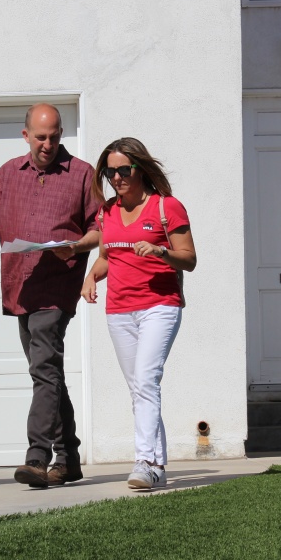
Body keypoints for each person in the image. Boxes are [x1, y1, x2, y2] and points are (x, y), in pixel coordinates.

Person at [0, 103, 99, 489]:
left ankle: (37, 458)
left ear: (61, 133)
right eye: (40, 137)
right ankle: (69, 457)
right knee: (48, 373)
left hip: (57, 285)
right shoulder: (8, 174)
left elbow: (102, 230)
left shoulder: (82, 174)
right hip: (20, 286)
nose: (47, 144)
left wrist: (77, 247)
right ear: (26, 135)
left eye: (54, 136)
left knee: (42, 369)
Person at [81, 137, 196, 490]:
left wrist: (161, 251)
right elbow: (107, 255)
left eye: (123, 169)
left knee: (146, 381)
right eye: (110, 172)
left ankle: (144, 461)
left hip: (159, 306)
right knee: (139, 389)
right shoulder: (107, 212)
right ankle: (157, 466)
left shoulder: (167, 207)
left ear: (140, 169)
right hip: (119, 310)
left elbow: (189, 259)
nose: (116, 177)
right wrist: (90, 276)